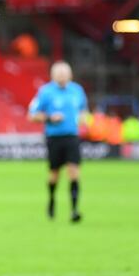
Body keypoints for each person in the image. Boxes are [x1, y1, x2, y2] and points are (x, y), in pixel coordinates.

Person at [28, 61, 88, 223]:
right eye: (58, 73)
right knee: (54, 174)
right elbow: (32, 115)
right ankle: (52, 199)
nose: (62, 76)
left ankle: (74, 210)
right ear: (53, 75)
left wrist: (83, 119)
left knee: (74, 172)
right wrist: (49, 118)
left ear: (70, 75)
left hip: (72, 137)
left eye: (64, 73)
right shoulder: (45, 92)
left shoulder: (77, 90)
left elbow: (83, 110)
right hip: (54, 138)